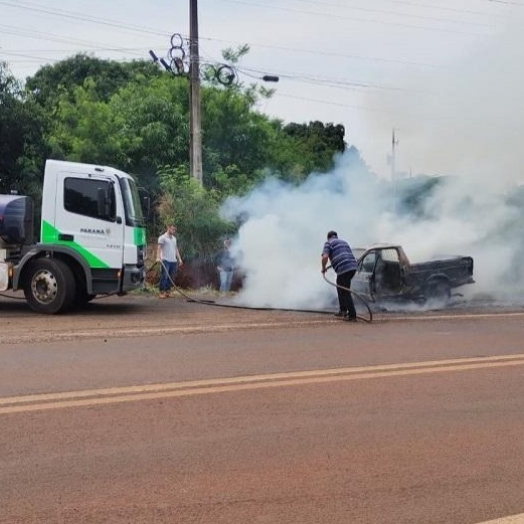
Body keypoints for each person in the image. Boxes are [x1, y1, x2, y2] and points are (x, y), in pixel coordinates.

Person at [321, 230, 358, 322]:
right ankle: (343, 310)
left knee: (345, 291)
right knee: (340, 287)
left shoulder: (328, 243)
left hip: (343, 268)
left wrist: (323, 267)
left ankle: (352, 315)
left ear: (328, 237)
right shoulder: (344, 242)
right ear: (336, 236)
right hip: (353, 267)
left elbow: (325, 257)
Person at [157, 224, 183, 299]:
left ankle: (168, 292)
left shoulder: (174, 239)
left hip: (173, 261)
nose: (173, 231)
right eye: (172, 229)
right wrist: (158, 257)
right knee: (164, 276)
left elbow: (176, 249)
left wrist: (179, 259)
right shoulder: (162, 238)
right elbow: (159, 248)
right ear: (168, 228)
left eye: (174, 229)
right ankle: (162, 292)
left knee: (171, 277)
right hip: (165, 260)